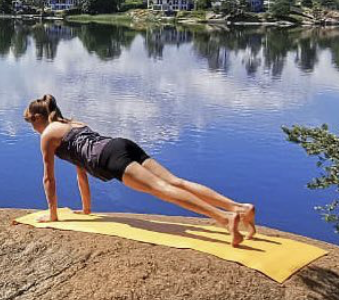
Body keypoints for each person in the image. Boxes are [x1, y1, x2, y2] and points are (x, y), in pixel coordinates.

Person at [23, 94, 256, 247]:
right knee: (175, 181)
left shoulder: (47, 136)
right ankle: (240, 208)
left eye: (31, 123)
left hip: (109, 158)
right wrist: (86, 210)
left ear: (37, 118)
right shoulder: (73, 123)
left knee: (161, 189)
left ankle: (225, 219)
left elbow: (48, 178)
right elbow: (81, 172)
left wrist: (52, 214)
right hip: (121, 144)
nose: (33, 128)